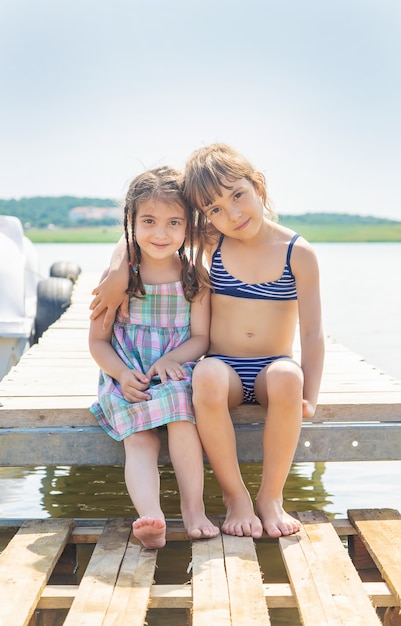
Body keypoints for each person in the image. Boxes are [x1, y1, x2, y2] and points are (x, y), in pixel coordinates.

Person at [90, 145, 325, 540]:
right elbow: (147, 232)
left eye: (237, 195)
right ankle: (236, 498)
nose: (232, 214)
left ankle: (270, 497)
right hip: (224, 368)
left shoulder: (297, 253)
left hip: (271, 368)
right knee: (208, 377)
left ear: (258, 186)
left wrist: (311, 395)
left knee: (289, 376)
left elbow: (313, 333)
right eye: (214, 209)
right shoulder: (214, 241)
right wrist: (118, 270)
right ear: (206, 216)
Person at [88, 166, 219, 549]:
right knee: (140, 439)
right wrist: (122, 373)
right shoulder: (121, 277)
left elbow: (201, 338)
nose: (160, 234)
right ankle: (152, 518)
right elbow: (98, 342)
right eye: (148, 221)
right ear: (130, 222)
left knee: (182, 415)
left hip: (176, 370)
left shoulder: (194, 276)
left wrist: (172, 358)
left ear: (188, 226)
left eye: (173, 222)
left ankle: (193, 509)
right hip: (129, 374)